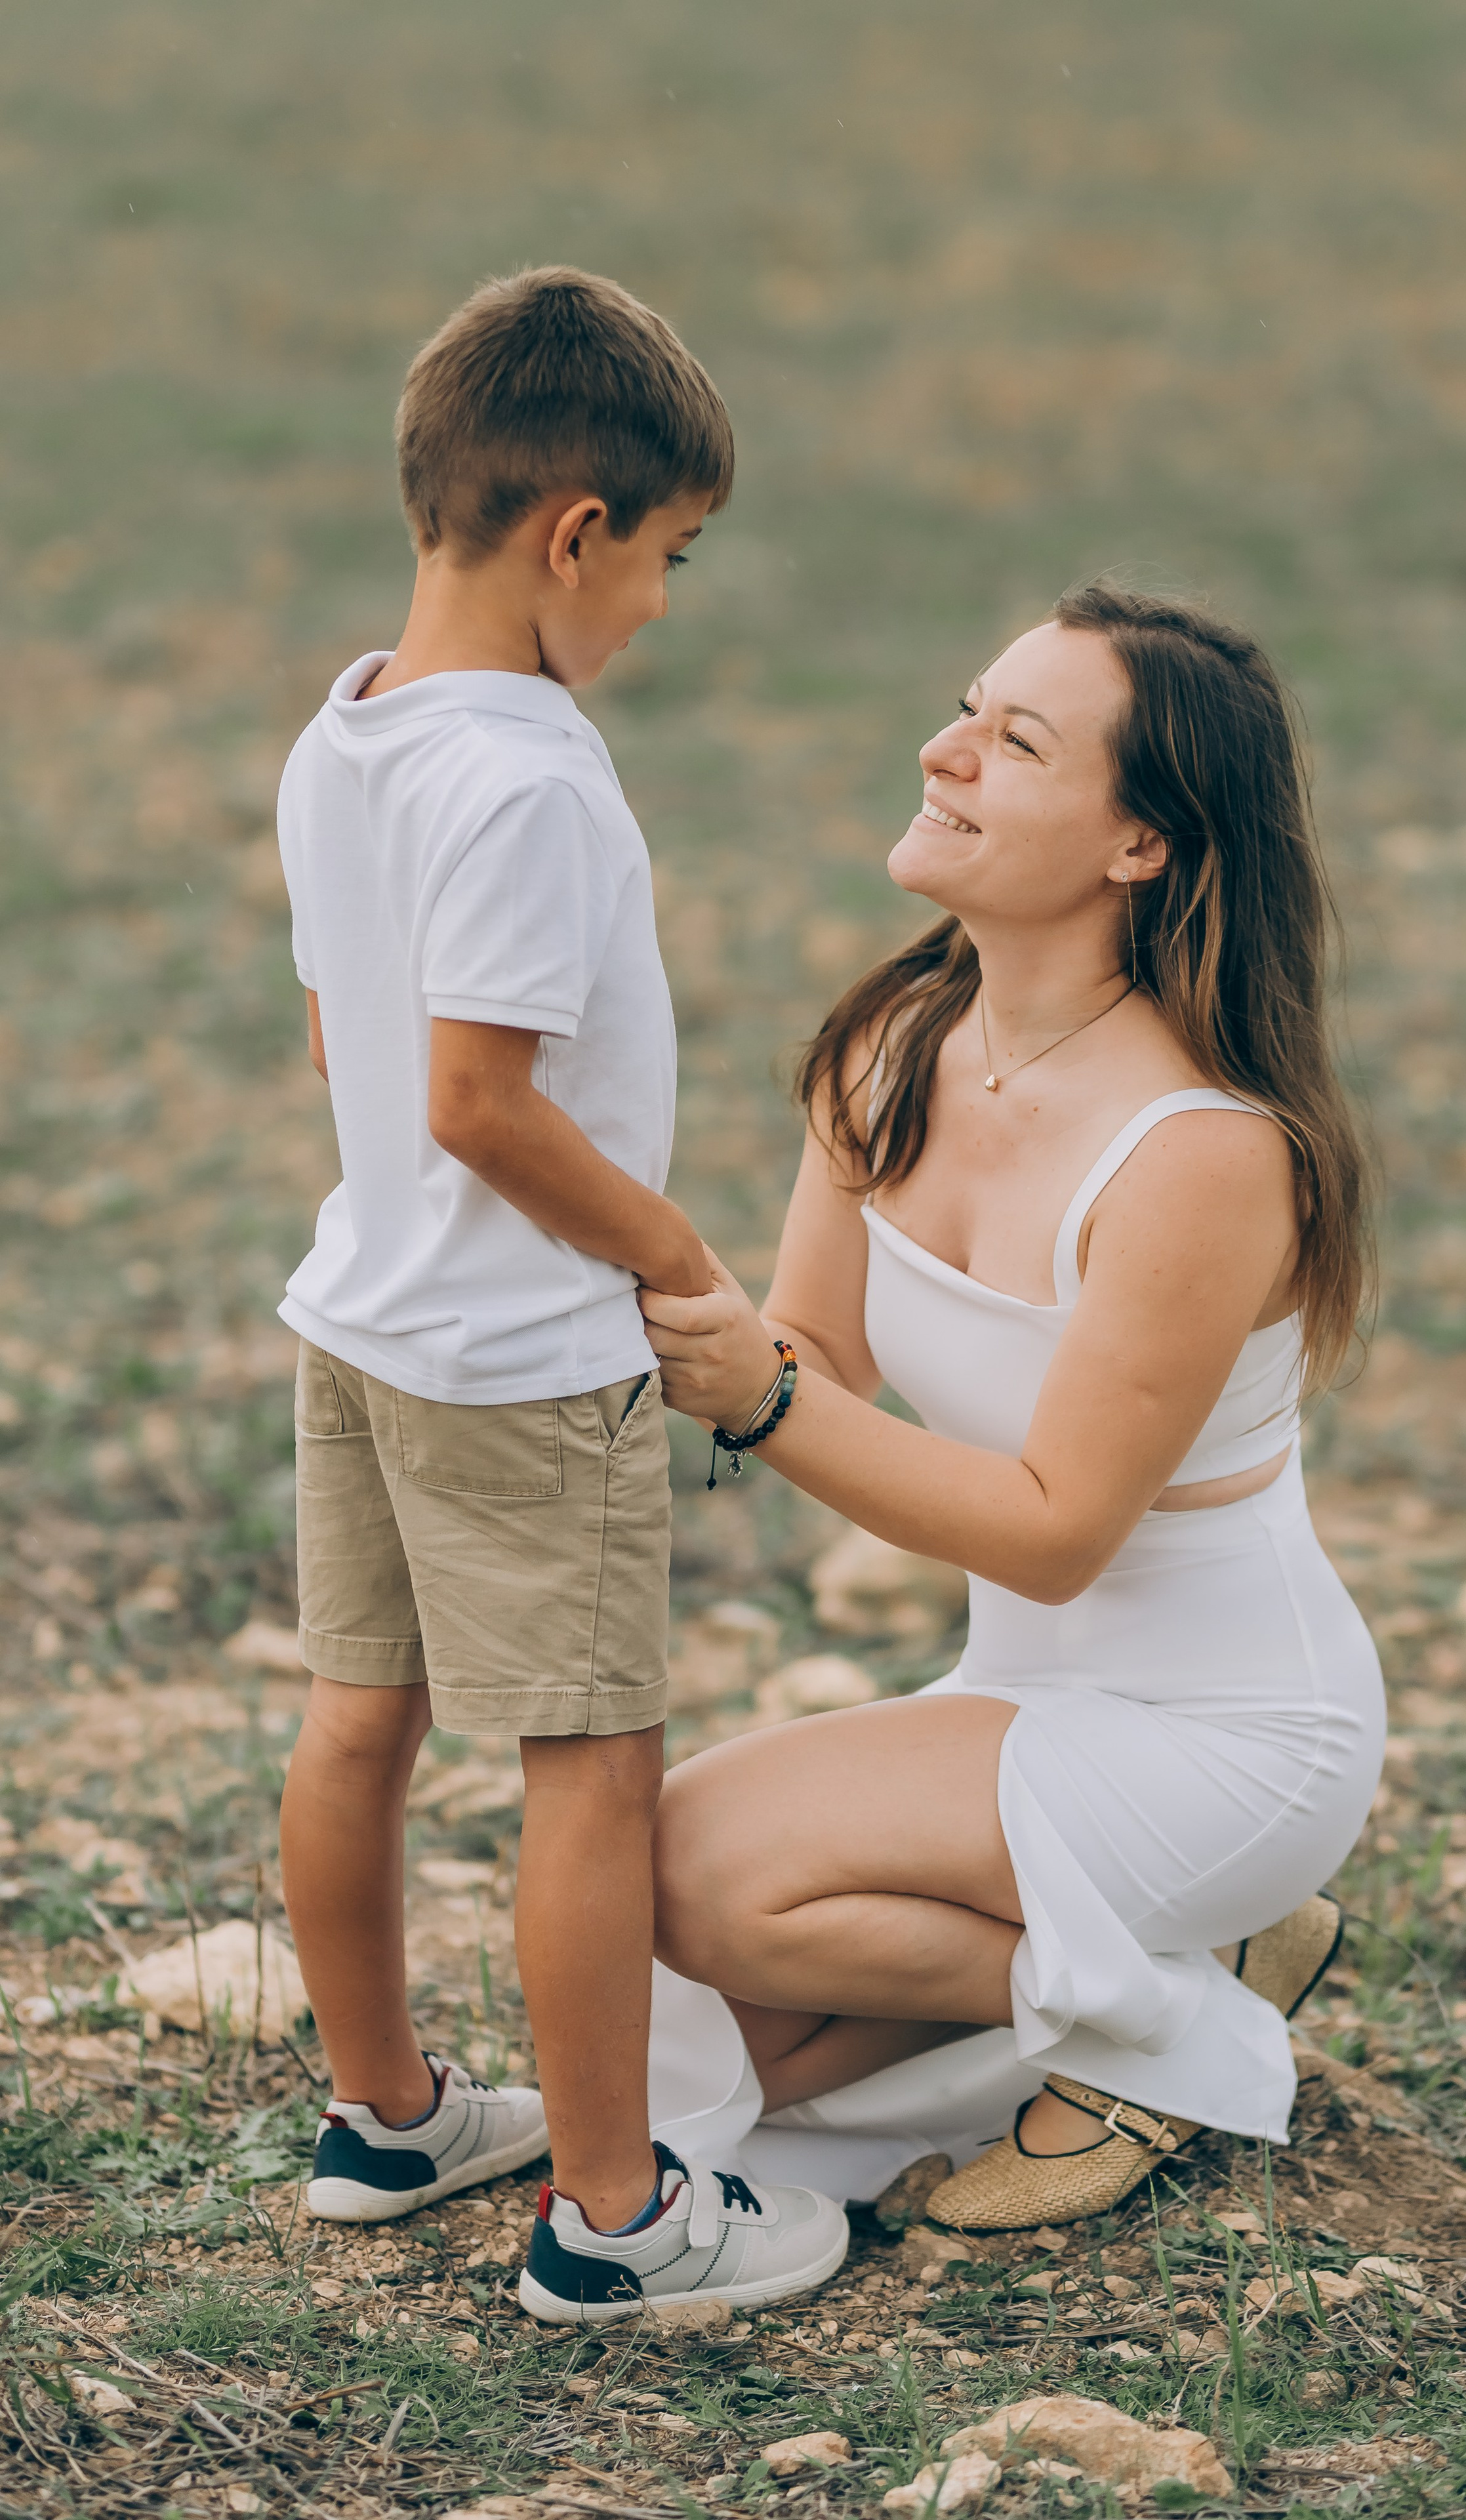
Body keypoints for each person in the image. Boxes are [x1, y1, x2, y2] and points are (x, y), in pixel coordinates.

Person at [638, 582, 1386, 2229]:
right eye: (966, 705)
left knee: (685, 1867)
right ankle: (1172, 1953)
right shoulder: (896, 1041)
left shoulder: (1199, 1152)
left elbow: (1054, 1534)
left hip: (1225, 1735)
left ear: (1140, 843)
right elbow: (812, 1356)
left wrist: (758, 1400)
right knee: (705, 2060)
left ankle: (1168, 2025)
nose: (942, 749)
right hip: (1023, 1702)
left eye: (1014, 738)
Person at [275, 266, 848, 2320]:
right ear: (574, 536)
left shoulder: (349, 730)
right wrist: (681, 1262)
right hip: (524, 1362)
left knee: (362, 1722)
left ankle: (388, 2116)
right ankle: (618, 2216)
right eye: (671, 560)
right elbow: (473, 1101)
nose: (663, 611)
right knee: (591, 1762)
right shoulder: (527, 771)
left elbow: (354, 1061)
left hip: (369, 1322)